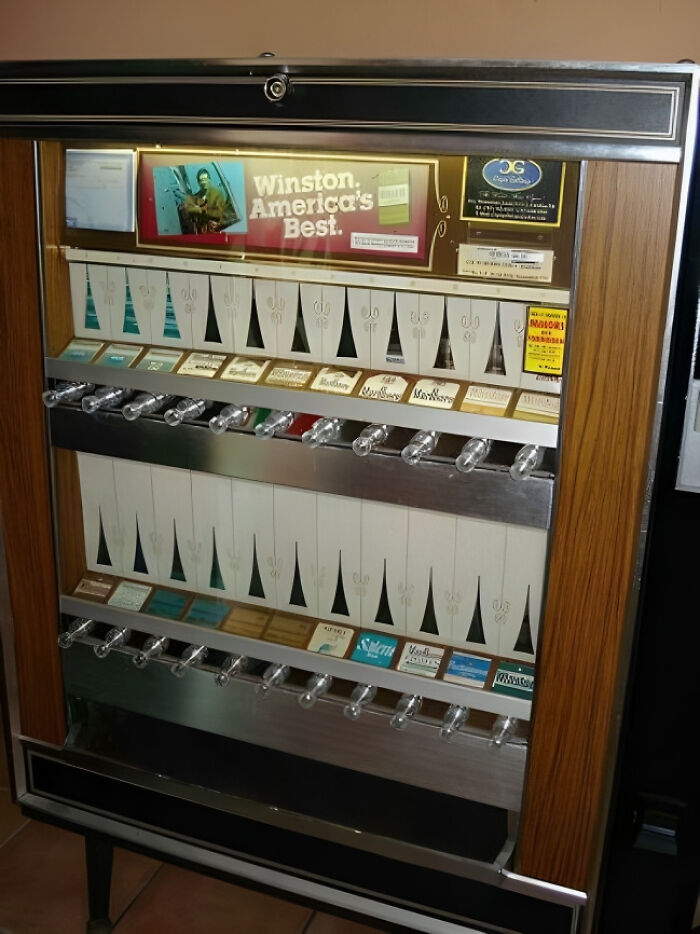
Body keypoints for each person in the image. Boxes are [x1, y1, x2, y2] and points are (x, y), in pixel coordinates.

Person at [181, 167, 234, 234]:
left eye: (205, 179)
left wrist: (200, 210)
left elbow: (219, 214)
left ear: (209, 179)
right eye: (201, 180)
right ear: (198, 182)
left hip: (215, 232)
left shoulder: (216, 194)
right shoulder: (196, 197)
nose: (204, 182)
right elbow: (188, 209)